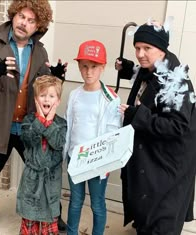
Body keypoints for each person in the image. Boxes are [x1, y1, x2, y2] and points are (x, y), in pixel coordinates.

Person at [0, 0, 67, 234]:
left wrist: (55, 76)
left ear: (38, 25)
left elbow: (42, 85)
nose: (24, 23)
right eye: (21, 17)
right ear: (13, 15)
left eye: (31, 20)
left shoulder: (40, 51)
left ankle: (53, 212)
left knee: (43, 170)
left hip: (28, 125)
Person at [115, 19, 196, 235]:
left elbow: (177, 125)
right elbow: (150, 85)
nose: (140, 53)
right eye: (137, 48)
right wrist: (129, 69)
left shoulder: (176, 82)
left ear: (161, 49)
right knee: (146, 218)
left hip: (168, 169)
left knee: (161, 224)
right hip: (152, 164)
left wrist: (137, 116)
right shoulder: (153, 68)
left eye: (147, 48)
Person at [64, 40, 122, 235]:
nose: (89, 72)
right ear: (79, 67)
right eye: (84, 66)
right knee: (75, 201)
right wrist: (67, 153)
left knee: (97, 203)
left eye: (94, 67)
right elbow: (70, 124)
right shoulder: (74, 95)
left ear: (103, 68)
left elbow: (113, 131)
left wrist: (105, 161)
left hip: (97, 160)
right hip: (76, 157)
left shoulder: (110, 98)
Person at [16, 75, 67, 235]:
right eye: (42, 95)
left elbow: (58, 143)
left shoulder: (61, 123)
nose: (47, 99)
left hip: (50, 180)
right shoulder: (28, 121)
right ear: (36, 99)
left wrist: (50, 121)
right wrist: (40, 120)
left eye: (51, 96)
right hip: (32, 180)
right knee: (30, 219)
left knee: (48, 221)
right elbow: (28, 140)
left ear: (58, 101)